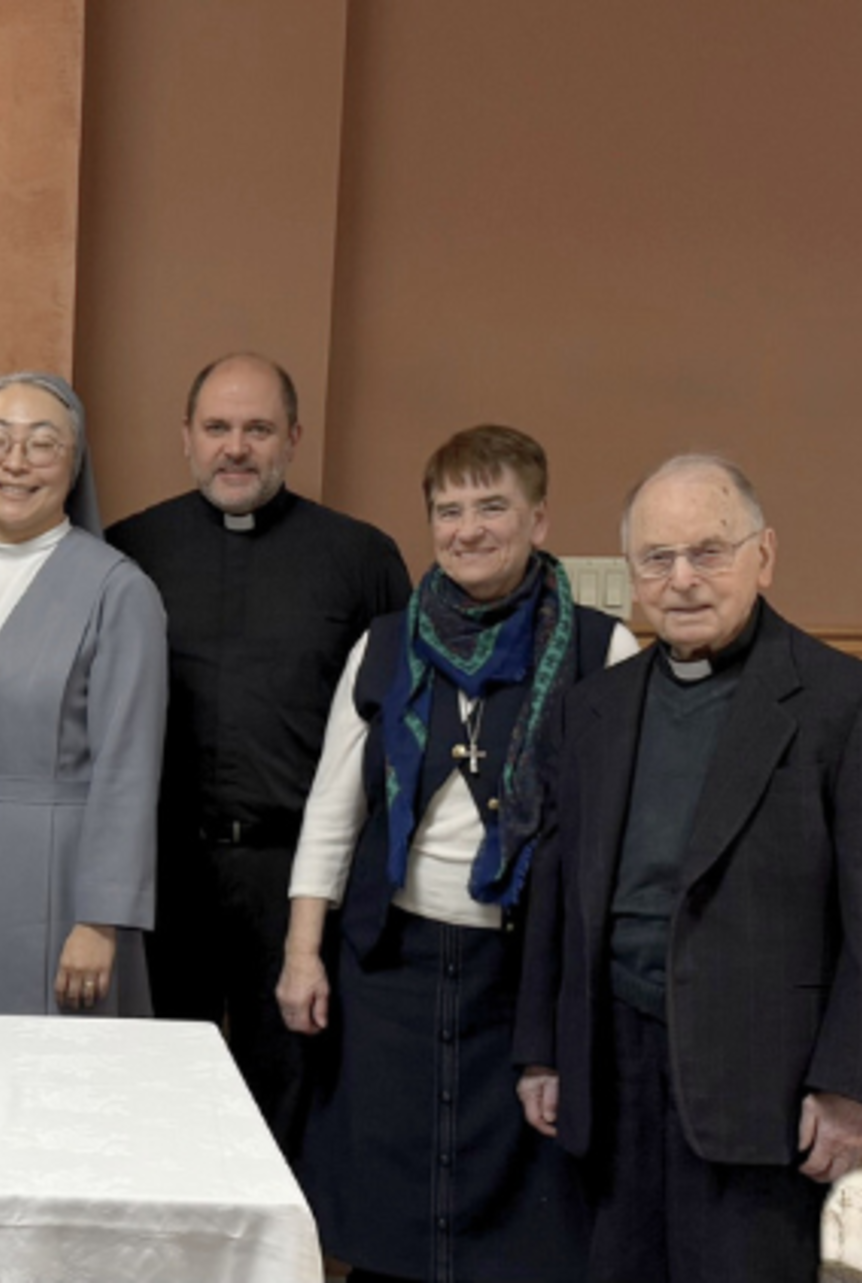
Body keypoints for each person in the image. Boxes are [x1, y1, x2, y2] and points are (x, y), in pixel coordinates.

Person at [276, 426, 635, 1282]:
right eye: (449, 510)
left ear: (539, 518)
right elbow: (334, 808)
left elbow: (622, 830)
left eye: (492, 506)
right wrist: (301, 952)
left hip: (526, 973)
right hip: (390, 963)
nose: (468, 528)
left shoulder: (600, 648)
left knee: (522, 1213)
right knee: (388, 1191)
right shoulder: (388, 643)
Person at [515, 455, 862, 1282]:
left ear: (764, 555)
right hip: (612, 1067)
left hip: (764, 1082)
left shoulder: (838, 703)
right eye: (657, 559)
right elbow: (557, 892)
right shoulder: (592, 708)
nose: (683, 580)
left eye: (709, 551)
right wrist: (541, 1048)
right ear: (631, 573)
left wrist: (848, 1083)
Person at [106, 352, 409, 1147]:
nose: (234, 447)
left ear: (293, 438)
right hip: (164, 873)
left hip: (298, 879)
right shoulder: (126, 551)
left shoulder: (360, 559)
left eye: (257, 429)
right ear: (186, 437)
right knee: (160, 1089)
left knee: (297, 1091)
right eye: (217, 428)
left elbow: (396, 732)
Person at [0, 373, 167, 1015]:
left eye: (41, 444)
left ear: (74, 464)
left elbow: (128, 769)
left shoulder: (120, 591)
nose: (14, 463)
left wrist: (103, 918)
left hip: (62, 893)